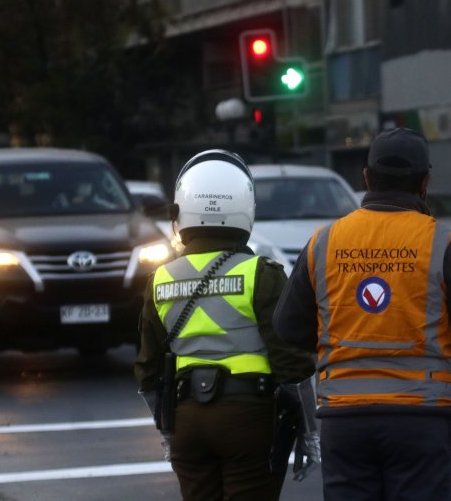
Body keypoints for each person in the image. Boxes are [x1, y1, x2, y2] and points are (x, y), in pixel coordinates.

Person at [273, 127, 451, 501]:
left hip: (344, 419)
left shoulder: (323, 241)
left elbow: (287, 327)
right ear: (425, 181)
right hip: (421, 418)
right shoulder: (443, 243)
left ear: (366, 178)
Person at [134, 149, 316, 501]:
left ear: (181, 212)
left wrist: (169, 432)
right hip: (248, 417)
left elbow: (147, 371)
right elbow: (294, 365)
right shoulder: (261, 274)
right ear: (245, 207)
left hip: (186, 418)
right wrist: (308, 434)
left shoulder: (159, 280)